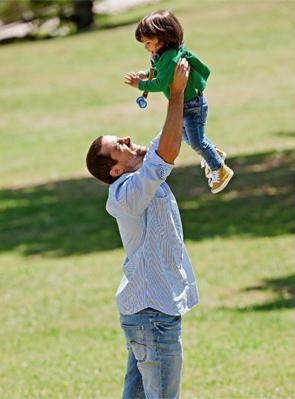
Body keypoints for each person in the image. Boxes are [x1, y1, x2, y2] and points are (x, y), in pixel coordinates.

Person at [86, 59, 198, 399]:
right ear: (117, 170)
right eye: (118, 145)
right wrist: (175, 94)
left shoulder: (138, 176)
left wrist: (171, 86)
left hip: (147, 315)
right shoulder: (129, 192)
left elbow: (170, 137)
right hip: (153, 317)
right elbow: (166, 153)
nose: (127, 138)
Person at [123, 9, 233, 194]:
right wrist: (146, 73)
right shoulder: (164, 55)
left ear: (163, 38)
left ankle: (220, 169)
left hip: (191, 107)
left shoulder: (170, 57)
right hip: (185, 105)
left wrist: (139, 84)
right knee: (186, 137)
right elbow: (161, 72)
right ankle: (214, 153)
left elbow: (160, 84)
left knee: (197, 142)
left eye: (148, 43)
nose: (146, 47)